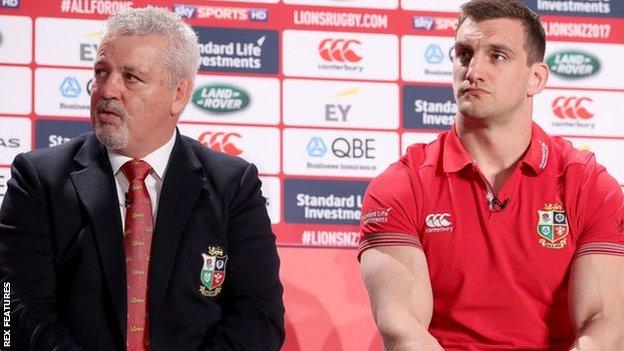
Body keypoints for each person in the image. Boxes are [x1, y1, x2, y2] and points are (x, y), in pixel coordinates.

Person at [0, 7, 284, 351]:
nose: (107, 90)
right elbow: (14, 311)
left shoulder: (233, 185)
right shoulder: (39, 179)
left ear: (179, 94)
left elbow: (258, 316)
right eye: (101, 72)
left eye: (130, 77)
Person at [358, 0, 624, 350]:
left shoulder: (588, 185)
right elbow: (402, 328)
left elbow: (604, 324)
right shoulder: (400, 186)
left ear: (536, 78)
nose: (473, 70)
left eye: (497, 55)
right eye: (464, 53)